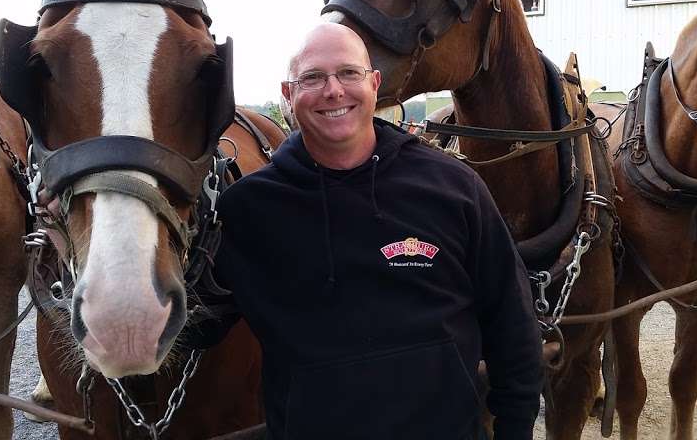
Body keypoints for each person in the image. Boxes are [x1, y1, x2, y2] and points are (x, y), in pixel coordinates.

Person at [214, 22, 542, 440]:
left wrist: (515, 429)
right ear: (288, 94)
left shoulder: (453, 187)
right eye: (312, 77)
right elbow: (200, 323)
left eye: (349, 73)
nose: (334, 90)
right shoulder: (247, 210)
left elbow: (512, 323)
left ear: (374, 83)